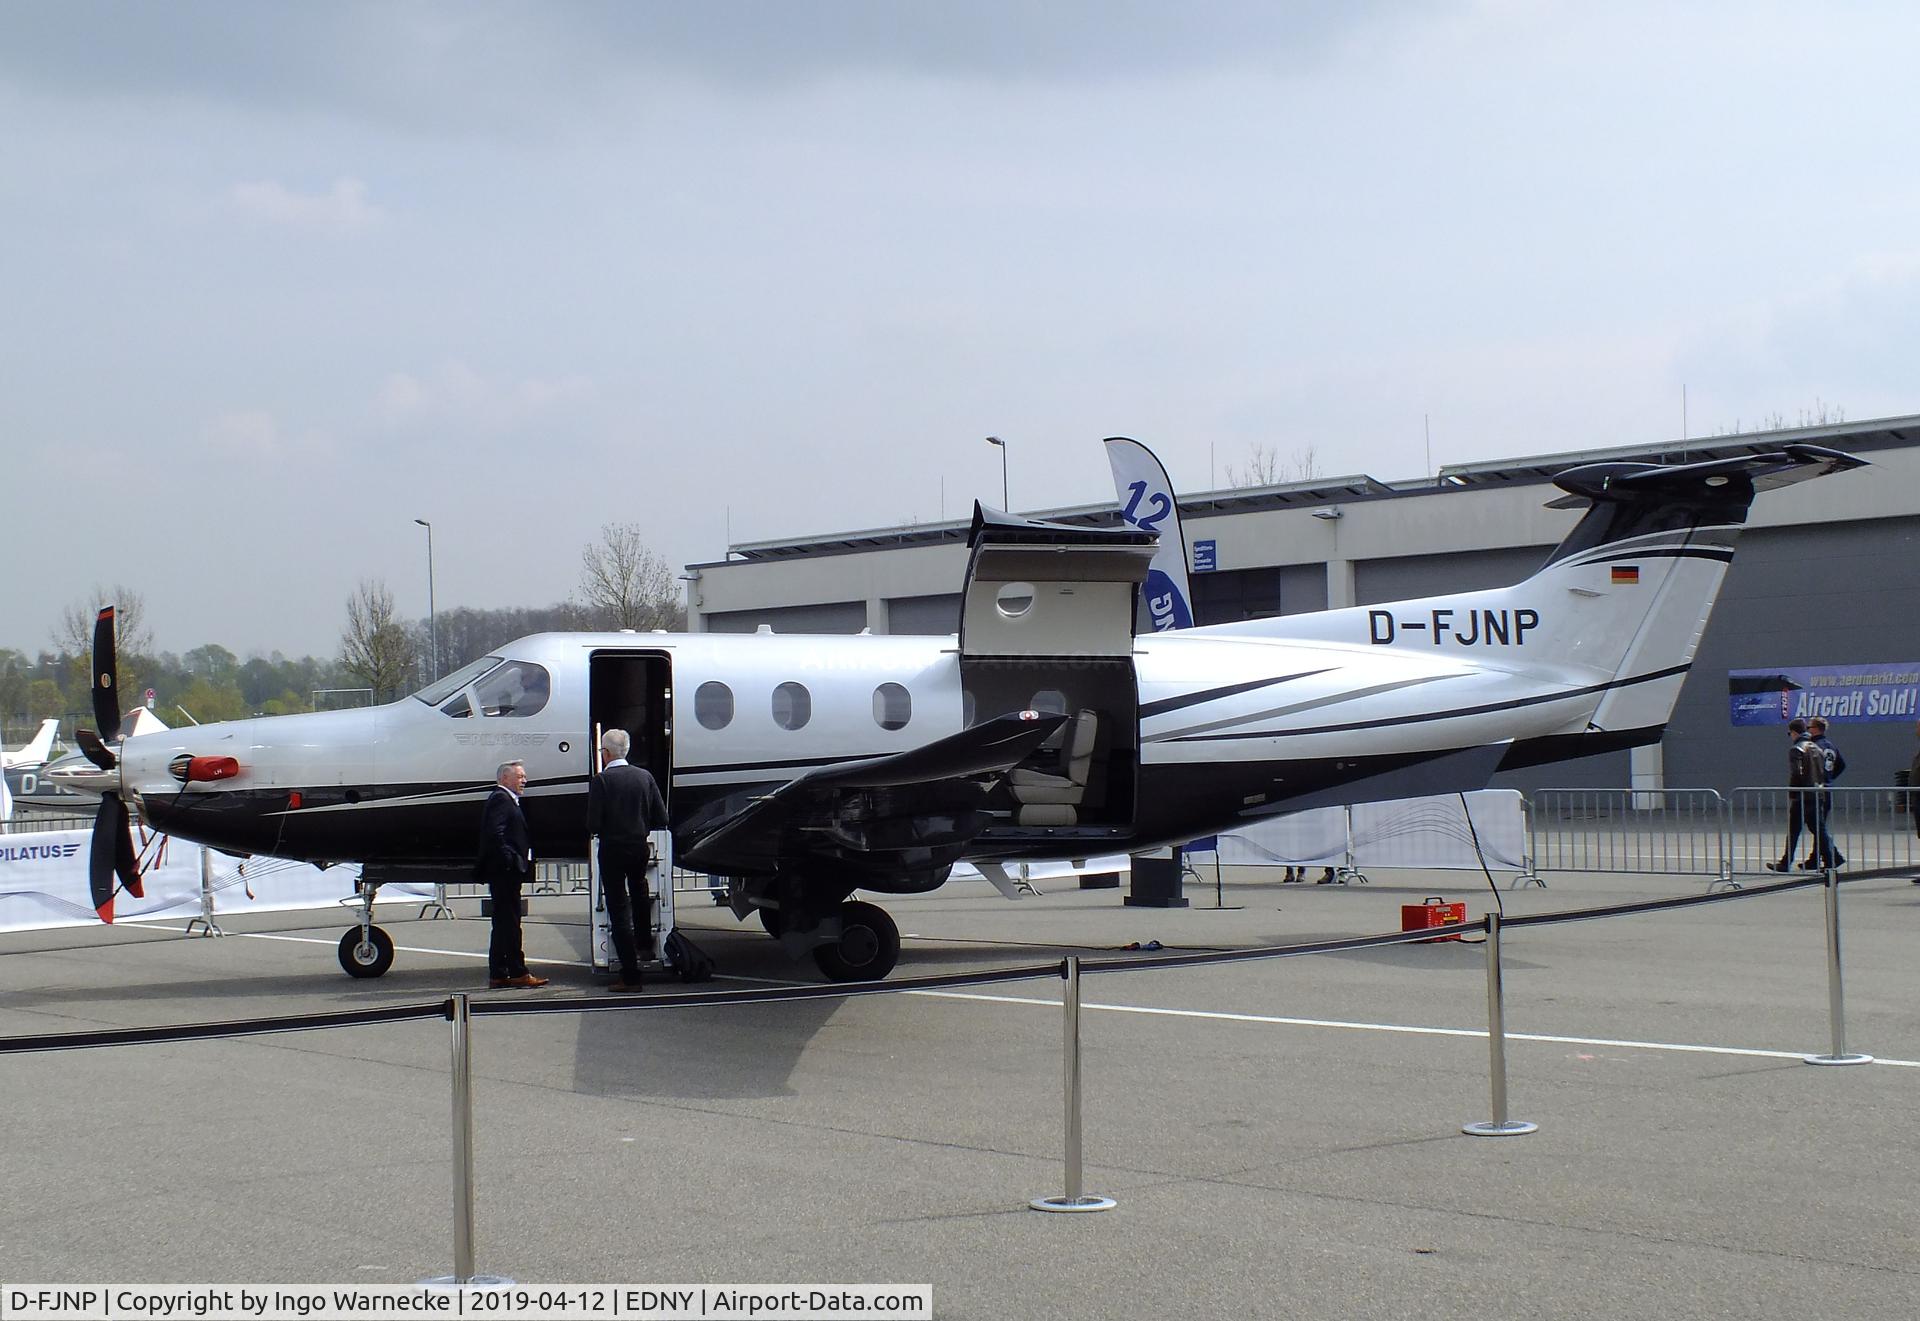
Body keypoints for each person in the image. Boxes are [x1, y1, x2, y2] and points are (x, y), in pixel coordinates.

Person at [588, 729, 669, 991]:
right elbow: (662, 817)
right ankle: (645, 944)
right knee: (640, 892)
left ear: (606, 752)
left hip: (612, 847)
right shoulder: (644, 777)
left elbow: (593, 822)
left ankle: (630, 973)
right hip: (638, 845)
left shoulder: (601, 781)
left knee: (618, 908)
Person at [476, 759, 548, 988]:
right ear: (504, 778)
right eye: (520, 776)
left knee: (502, 922)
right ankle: (517, 971)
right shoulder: (501, 799)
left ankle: (498, 971)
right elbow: (495, 834)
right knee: (510, 922)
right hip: (505, 872)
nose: (524, 780)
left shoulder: (509, 800)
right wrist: (511, 859)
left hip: (505, 872)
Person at [1767, 720, 1831, 873]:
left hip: (1802, 795)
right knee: (1819, 830)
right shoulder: (1817, 748)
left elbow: (1797, 773)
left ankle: (1786, 862)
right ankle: (1831, 860)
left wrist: (1794, 792)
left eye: (1790, 733)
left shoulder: (1796, 749)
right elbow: (1823, 772)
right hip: (1817, 794)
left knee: (1794, 830)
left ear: (1794, 732)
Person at [1800, 716, 1847, 868]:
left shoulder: (1813, 746)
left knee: (1816, 826)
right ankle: (1814, 859)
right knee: (1819, 825)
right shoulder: (1830, 745)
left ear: (1815, 729)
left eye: (1809, 728)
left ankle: (1834, 856)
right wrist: (1830, 777)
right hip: (1827, 788)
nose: (1807, 730)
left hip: (1816, 790)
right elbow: (1841, 764)